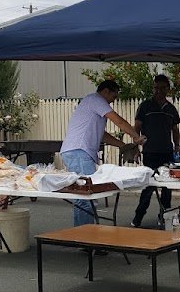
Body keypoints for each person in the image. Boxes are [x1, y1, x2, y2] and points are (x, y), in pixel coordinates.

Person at [60, 81, 144, 226]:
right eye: (113, 96)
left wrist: (123, 146)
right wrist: (136, 137)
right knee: (86, 197)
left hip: (77, 152)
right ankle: (84, 236)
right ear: (105, 91)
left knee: (84, 196)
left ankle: (82, 234)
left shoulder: (91, 104)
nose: (113, 100)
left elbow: (102, 135)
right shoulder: (96, 100)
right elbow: (118, 121)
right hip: (79, 152)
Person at [130, 74, 180, 228]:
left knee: (167, 187)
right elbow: (136, 128)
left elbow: (175, 129)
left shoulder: (171, 109)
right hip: (150, 153)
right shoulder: (145, 106)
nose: (158, 91)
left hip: (167, 152)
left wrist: (177, 146)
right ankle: (138, 217)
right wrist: (136, 147)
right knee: (148, 186)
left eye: (162, 88)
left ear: (168, 89)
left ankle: (164, 217)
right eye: (155, 88)